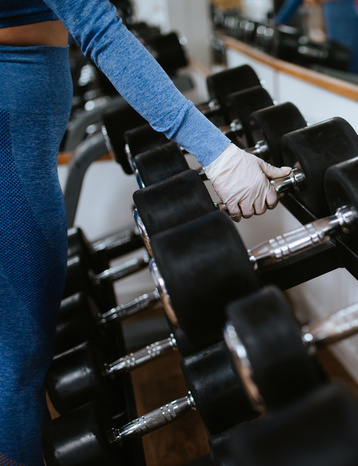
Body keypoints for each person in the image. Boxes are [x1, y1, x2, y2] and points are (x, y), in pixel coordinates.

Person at [0, 1, 290, 464]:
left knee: (18, 356)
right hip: (10, 133)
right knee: (15, 365)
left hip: (17, 130)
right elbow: (98, 30)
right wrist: (216, 153)